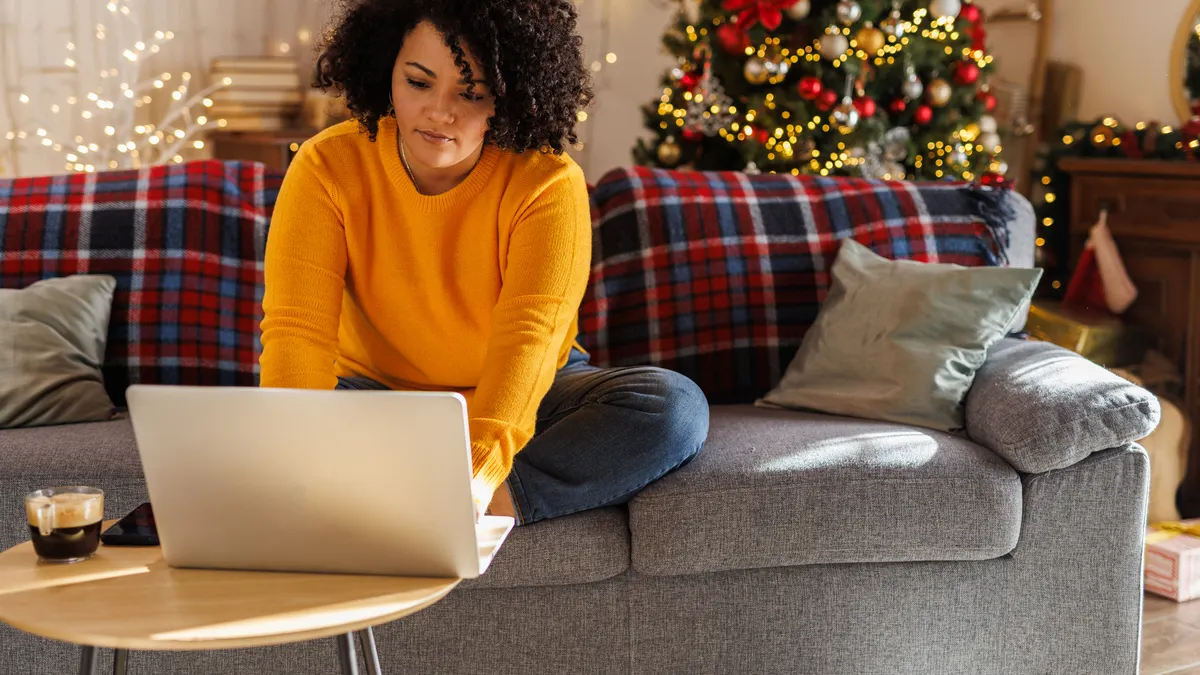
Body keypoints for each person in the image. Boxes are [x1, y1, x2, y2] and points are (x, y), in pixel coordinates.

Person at [259, 0, 710, 526]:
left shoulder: (547, 181)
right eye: (418, 83)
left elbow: (530, 339)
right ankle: (394, 494)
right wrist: (292, 459)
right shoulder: (325, 166)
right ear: (385, 71)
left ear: (509, 96)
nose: (439, 112)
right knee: (250, 427)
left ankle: (453, 508)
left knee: (673, 408)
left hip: (527, 394)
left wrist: (476, 477)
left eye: (471, 93)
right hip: (376, 394)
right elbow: (297, 333)